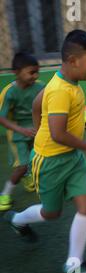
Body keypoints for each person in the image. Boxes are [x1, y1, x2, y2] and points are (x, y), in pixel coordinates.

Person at [3, 30, 86, 273]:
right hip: (49, 162)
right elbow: (59, 134)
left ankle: (74, 265)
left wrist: (40, 127)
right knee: (52, 213)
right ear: (73, 60)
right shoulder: (61, 90)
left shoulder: (63, 83)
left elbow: (37, 103)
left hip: (71, 159)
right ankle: (17, 220)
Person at [0, 53, 44, 211]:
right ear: (16, 72)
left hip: (37, 131)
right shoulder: (9, 92)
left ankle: (29, 178)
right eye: (31, 72)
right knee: (22, 166)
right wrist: (21, 130)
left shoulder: (40, 87)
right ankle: (5, 194)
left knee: (41, 159)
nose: (35, 76)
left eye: (37, 72)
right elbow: (2, 117)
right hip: (18, 134)